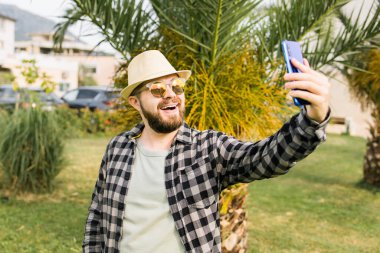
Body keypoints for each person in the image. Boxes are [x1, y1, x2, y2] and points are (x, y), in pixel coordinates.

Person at [83, 50, 330, 253]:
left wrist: (313, 119)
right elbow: (97, 218)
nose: (171, 94)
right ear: (135, 102)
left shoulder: (208, 149)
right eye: (157, 89)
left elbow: (266, 157)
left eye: (177, 86)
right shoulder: (117, 148)